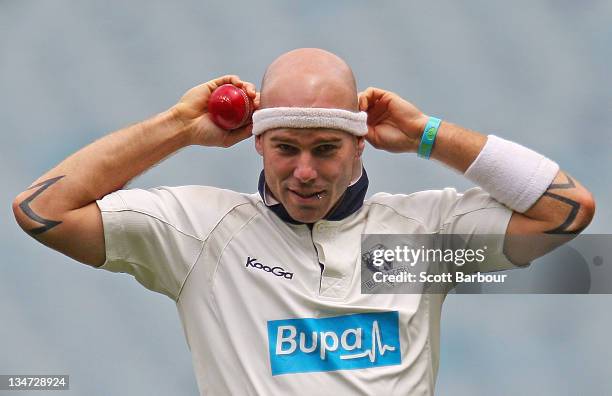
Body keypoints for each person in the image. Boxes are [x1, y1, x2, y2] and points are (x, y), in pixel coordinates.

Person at [12, 48, 595, 395]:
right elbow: (42, 209)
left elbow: (567, 210)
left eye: (326, 148)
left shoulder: (420, 239)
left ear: (361, 148)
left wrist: (427, 135)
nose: (305, 172)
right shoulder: (199, 232)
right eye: (286, 147)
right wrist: (178, 125)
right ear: (256, 144)